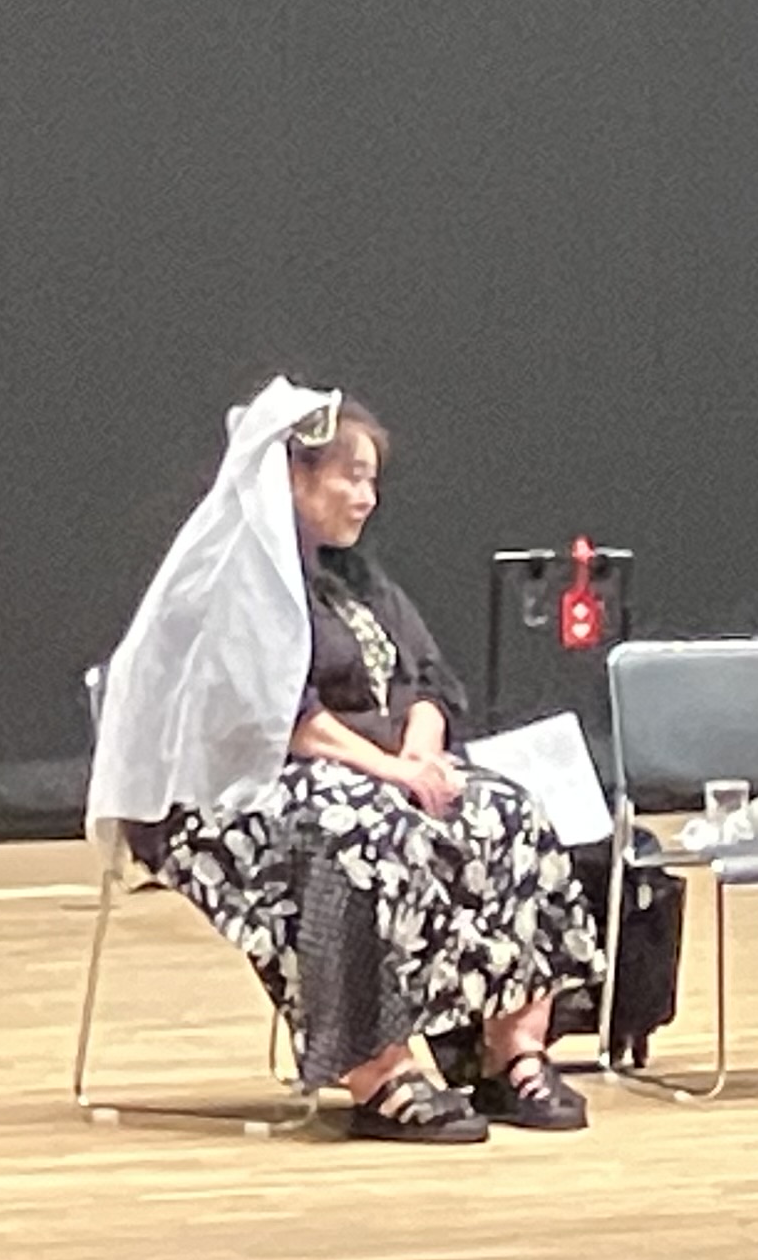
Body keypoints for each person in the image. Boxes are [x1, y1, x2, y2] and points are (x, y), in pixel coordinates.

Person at [90, 384, 603, 1142]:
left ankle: (512, 1051)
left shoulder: (355, 576)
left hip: (369, 768)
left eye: (372, 480)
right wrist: (394, 773)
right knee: (362, 836)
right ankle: (378, 1069)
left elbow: (427, 677)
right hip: (233, 791)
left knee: (508, 812)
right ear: (293, 478)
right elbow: (278, 718)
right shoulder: (235, 579)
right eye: (351, 478)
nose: (368, 497)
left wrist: (421, 749)